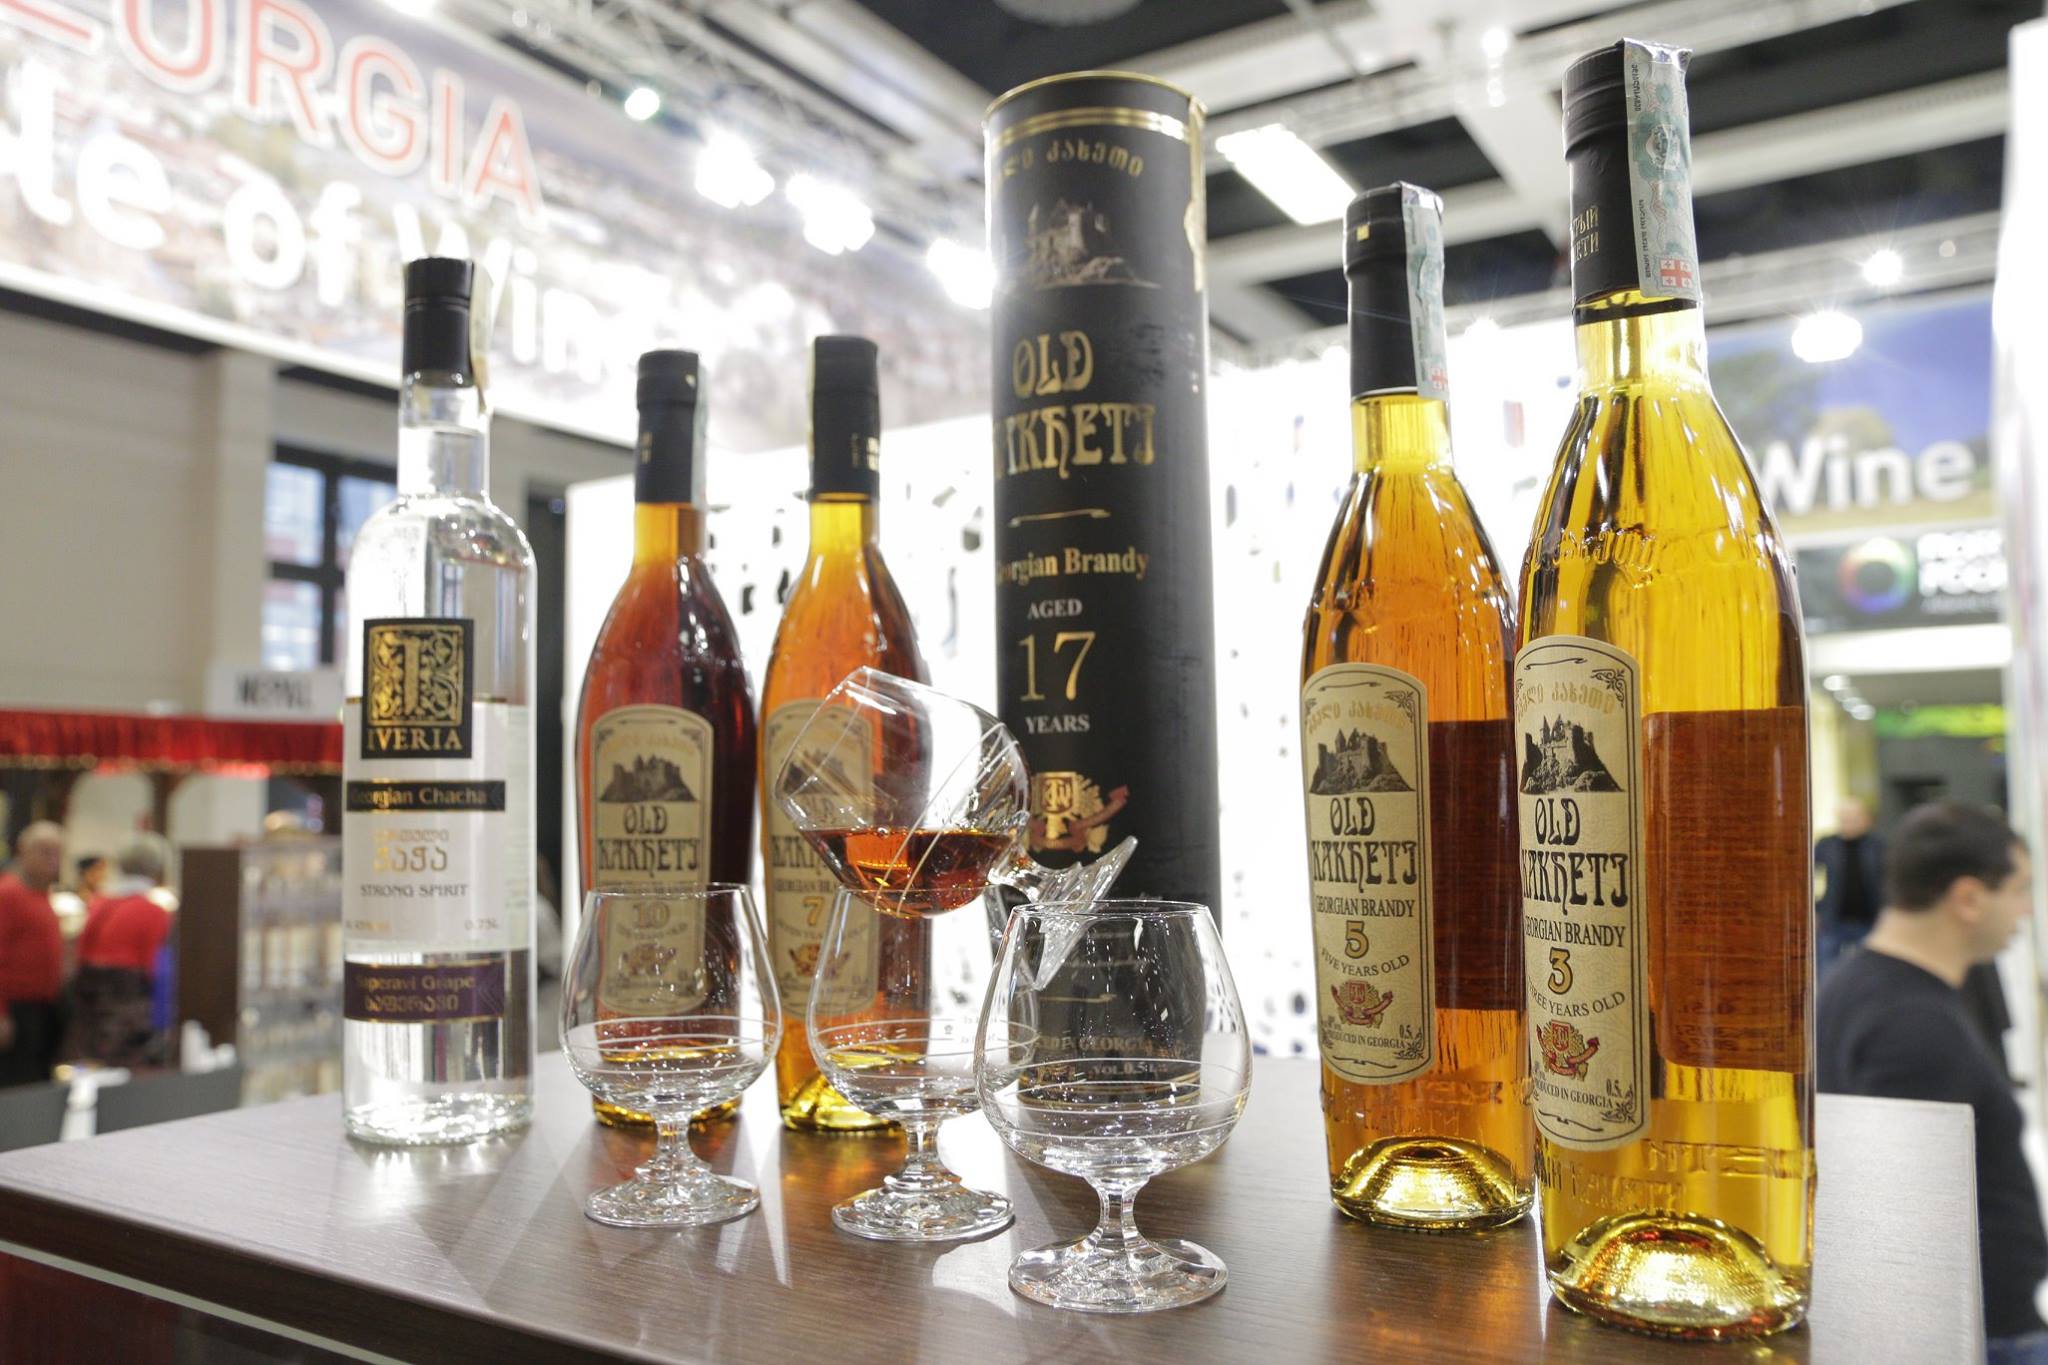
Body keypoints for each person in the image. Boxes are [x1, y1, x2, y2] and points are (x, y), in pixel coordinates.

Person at [1817, 801, 2044, 1361]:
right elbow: (1907, 1231)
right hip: (1980, 1333)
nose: (2025, 910)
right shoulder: (1910, 1026)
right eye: (2019, 889)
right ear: (1968, 898)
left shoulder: (1862, 986)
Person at [68, 837, 175, 1069]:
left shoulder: (99, 903)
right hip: (128, 998)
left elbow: (81, 950)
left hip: (91, 997)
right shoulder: (153, 911)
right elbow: (153, 967)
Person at [0, 822, 67, 1088]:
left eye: (57, 853)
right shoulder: (8, 894)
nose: (53, 860)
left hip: (42, 1007)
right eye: (45, 852)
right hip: (17, 1008)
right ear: (23, 852)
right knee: (18, 1084)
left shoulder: (41, 894)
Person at [1815, 796, 1884, 969]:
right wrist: (1815, 909)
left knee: (1869, 969)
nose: (1850, 822)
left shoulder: (1878, 846)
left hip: (1869, 920)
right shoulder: (1826, 845)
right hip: (1832, 920)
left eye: (1855, 817)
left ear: (1866, 819)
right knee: (1826, 968)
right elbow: (1808, 877)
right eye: (1845, 818)